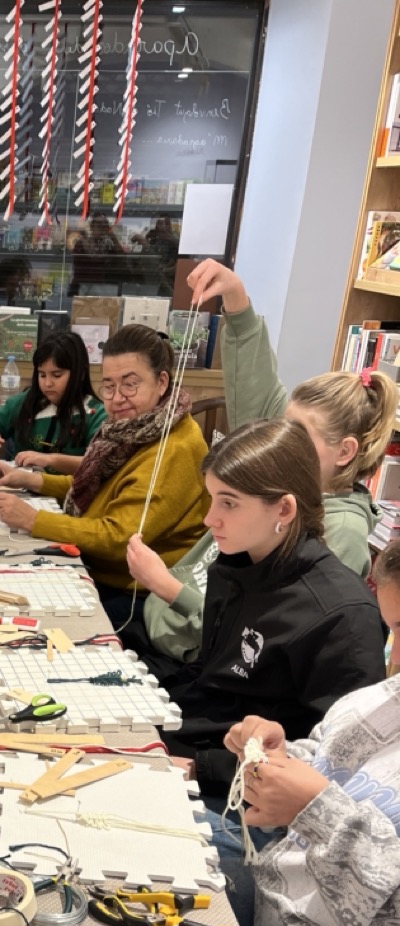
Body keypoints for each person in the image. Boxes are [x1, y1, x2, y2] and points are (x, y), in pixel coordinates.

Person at [126, 261, 399, 671]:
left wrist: (165, 586)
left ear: (343, 452)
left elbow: (264, 636)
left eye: (297, 434)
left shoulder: (340, 530)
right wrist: (235, 298)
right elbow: (257, 386)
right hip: (158, 634)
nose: (279, 440)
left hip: (195, 667)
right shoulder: (288, 473)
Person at [207, 541, 400, 926]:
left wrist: (315, 807)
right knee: (151, 857)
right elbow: (336, 762)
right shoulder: (385, 700)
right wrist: (277, 755)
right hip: (293, 910)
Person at [160, 418, 386, 799]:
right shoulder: (237, 564)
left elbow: (334, 766)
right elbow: (213, 675)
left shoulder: (343, 618)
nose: (209, 518)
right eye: (212, 498)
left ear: (283, 509)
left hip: (241, 792)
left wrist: (202, 769)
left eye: (228, 502)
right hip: (195, 743)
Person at [0, 324, 209, 625]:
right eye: (109, 385)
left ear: (161, 382)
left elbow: (119, 537)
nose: (117, 398)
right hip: (105, 574)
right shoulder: (138, 428)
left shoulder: (175, 447)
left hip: (141, 599)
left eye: (130, 384)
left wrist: (33, 519)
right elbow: (101, 485)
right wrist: (34, 479)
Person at [0, 331, 106, 465]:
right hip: (18, 484)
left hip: (68, 486)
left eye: (57, 375)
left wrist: (50, 460)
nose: (48, 383)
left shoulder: (95, 414)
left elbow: (97, 464)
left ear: (80, 374)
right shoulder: (27, 402)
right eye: (42, 375)